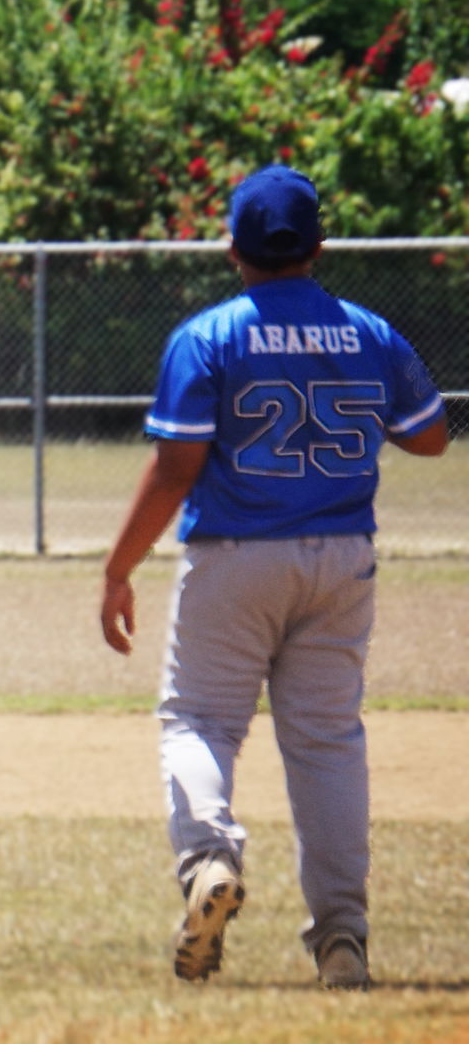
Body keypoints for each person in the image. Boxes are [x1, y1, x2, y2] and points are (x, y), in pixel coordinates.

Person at [99, 165, 447, 990]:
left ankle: (211, 863)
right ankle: (342, 940)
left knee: (198, 722)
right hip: (342, 560)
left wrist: (118, 569)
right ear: (320, 246)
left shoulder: (209, 335)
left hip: (235, 555)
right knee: (327, 743)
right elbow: (429, 437)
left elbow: (177, 467)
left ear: (233, 249)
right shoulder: (369, 330)